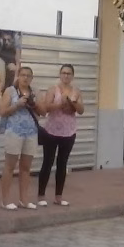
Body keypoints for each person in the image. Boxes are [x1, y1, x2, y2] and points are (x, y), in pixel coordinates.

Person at [36, 64, 84, 207]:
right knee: (47, 162)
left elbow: (81, 110)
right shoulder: (53, 89)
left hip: (69, 132)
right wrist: (60, 103)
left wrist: (72, 103)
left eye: (69, 73)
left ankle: (58, 196)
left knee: (62, 164)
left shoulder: (76, 91)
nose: (66, 76)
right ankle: (41, 195)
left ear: (72, 76)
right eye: (63, 73)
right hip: (51, 131)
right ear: (60, 74)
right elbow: (46, 108)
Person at [0, 66, 39, 210]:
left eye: (28, 76)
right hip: (14, 131)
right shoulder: (10, 91)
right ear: (18, 76)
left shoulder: (35, 92)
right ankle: (5, 200)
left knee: (26, 167)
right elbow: (2, 111)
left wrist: (34, 103)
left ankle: (24, 200)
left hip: (31, 132)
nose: (25, 78)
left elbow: (43, 111)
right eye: (23, 75)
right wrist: (17, 104)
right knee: (10, 166)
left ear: (32, 78)